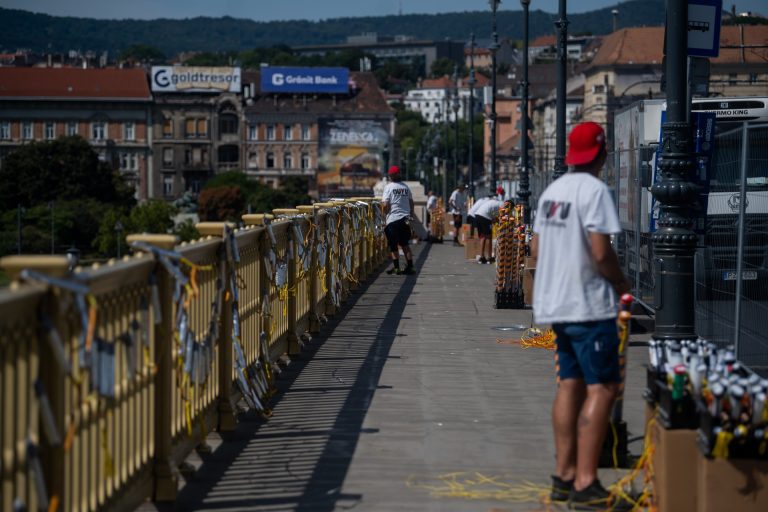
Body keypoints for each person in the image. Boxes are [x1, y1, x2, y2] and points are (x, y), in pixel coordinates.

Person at [530, 122, 632, 510]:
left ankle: (563, 475)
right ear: (602, 154)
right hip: (589, 304)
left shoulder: (552, 192)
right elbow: (601, 252)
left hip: (555, 304)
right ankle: (587, 483)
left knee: (568, 384)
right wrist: (623, 285)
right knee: (602, 388)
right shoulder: (596, 191)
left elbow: (537, 248)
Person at [381, 166, 415, 275]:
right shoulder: (406, 187)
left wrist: (384, 215)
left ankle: (396, 268)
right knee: (405, 244)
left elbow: (385, 205)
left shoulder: (389, 187)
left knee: (393, 245)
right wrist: (410, 215)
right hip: (405, 219)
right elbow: (411, 203)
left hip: (393, 219)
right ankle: (410, 267)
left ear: (391, 176)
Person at [474, 194, 503, 264]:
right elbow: (498, 217)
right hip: (485, 217)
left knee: (482, 236)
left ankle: (482, 256)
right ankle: (489, 257)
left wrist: (496, 220)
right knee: (489, 237)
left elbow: (494, 218)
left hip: (478, 215)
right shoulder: (501, 204)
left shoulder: (494, 203)